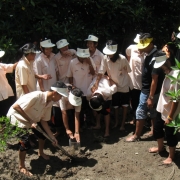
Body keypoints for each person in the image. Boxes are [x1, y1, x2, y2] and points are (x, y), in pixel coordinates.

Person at [7, 81, 69, 176]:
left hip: (32, 119)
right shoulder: (36, 96)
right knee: (25, 142)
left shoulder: (50, 103)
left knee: (42, 134)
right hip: (17, 118)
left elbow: (44, 121)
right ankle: (22, 166)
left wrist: (52, 137)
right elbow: (16, 107)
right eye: (60, 96)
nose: (61, 98)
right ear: (55, 93)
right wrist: (30, 121)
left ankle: (40, 152)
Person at [126, 33, 165, 142]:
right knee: (153, 111)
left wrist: (151, 96)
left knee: (140, 111)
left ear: (151, 44)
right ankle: (154, 131)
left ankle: (136, 135)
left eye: (145, 46)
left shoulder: (156, 56)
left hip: (149, 90)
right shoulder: (150, 55)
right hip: (149, 89)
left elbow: (155, 78)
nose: (142, 48)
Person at [92, 40, 132, 131]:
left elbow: (129, 71)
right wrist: (96, 83)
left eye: (111, 54)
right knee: (115, 106)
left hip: (124, 85)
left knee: (125, 105)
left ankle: (123, 124)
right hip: (113, 85)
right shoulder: (105, 58)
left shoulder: (122, 59)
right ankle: (117, 122)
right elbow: (101, 72)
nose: (109, 55)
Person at [148, 54, 180, 165]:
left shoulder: (176, 76)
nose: (161, 68)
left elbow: (176, 100)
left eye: (162, 66)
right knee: (157, 128)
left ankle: (171, 156)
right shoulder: (168, 74)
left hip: (171, 111)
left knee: (170, 134)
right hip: (162, 108)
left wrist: (170, 117)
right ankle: (160, 147)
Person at [67, 48, 96, 128]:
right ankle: (81, 125)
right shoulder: (73, 62)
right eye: (82, 57)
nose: (83, 58)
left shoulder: (89, 60)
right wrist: (72, 86)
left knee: (89, 108)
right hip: (78, 91)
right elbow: (70, 76)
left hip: (88, 90)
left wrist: (89, 63)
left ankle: (90, 123)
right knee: (79, 109)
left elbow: (93, 73)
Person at [126, 34, 145, 124]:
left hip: (144, 81)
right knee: (134, 99)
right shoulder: (131, 48)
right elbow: (128, 58)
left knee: (143, 101)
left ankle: (143, 119)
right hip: (133, 80)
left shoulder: (147, 52)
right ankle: (135, 118)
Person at [0, 50, 18, 116]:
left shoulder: (1, 66)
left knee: (8, 112)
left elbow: (12, 66)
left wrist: (22, 60)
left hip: (6, 93)